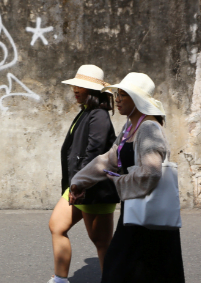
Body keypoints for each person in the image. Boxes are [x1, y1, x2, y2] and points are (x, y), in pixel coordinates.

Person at [69, 72, 185, 283]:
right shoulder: (130, 127)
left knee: (124, 270)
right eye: (117, 94)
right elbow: (108, 159)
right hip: (136, 213)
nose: (118, 99)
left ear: (138, 99)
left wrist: (118, 182)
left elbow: (151, 172)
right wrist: (79, 181)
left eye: (124, 94)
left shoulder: (148, 128)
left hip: (149, 218)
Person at [47, 65, 119, 283]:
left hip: (93, 188)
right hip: (78, 185)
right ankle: (60, 280)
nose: (75, 89)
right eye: (75, 85)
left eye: (81, 86)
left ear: (93, 90)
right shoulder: (86, 112)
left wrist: (81, 184)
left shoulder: (99, 115)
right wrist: (74, 183)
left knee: (101, 242)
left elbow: (94, 152)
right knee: (57, 226)